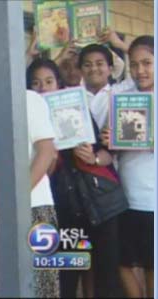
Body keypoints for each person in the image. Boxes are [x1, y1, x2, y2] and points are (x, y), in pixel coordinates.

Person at [27, 58, 128, 298]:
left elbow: (107, 150)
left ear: (59, 83)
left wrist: (92, 156)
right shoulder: (28, 117)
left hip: (99, 204)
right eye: (36, 83)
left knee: (106, 275)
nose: (43, 88)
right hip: (65, 211)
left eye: (49, 81)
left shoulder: (75, 106)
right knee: (69, 271)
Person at [0, 47, 60, 298]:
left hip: (34, 208)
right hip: (2, 213)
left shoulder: (28, 99)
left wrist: (14, 198)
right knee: (12, 286)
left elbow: (46, 151)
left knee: (42, 287)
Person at [101, 35, 155, 298]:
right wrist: (110, 139)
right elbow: (110, 143)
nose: (140, 71)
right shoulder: (123, 96)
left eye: (147, 63)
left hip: (153, 200)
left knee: (152, 266)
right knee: (124, 262)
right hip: (127, 197)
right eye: (134, 65)